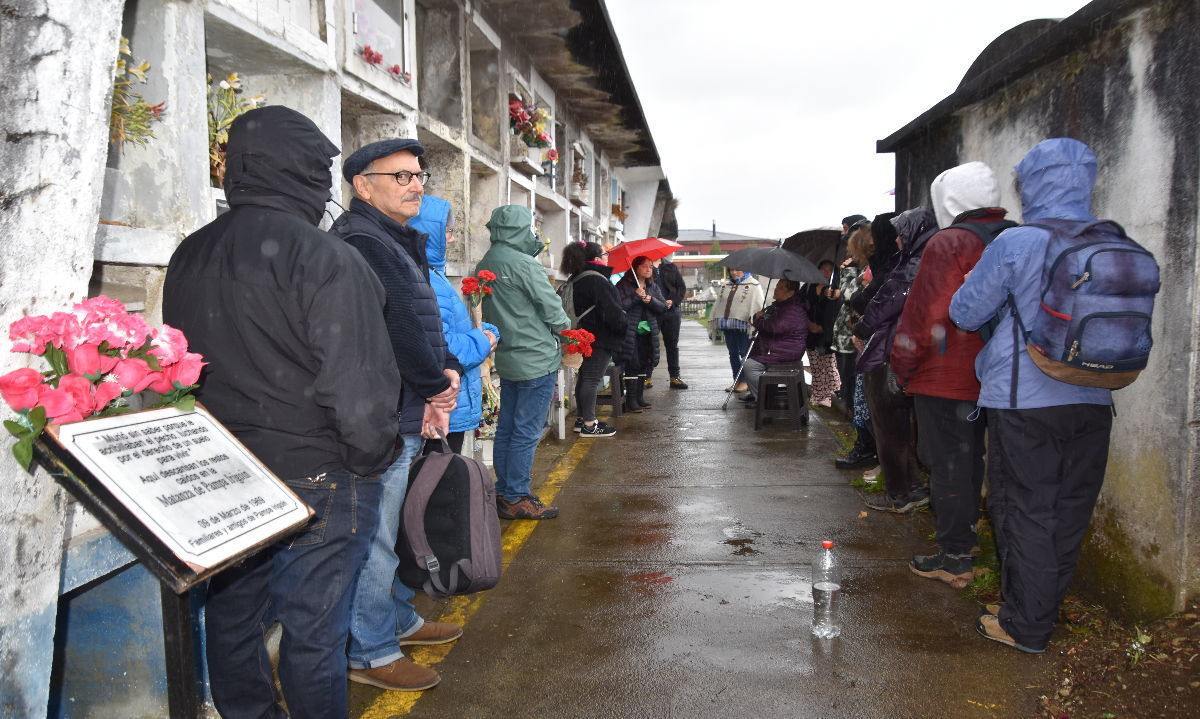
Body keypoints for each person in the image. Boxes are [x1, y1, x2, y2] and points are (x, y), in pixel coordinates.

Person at [163, 106, 401, 719]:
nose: (326, 185)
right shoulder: (326, 257)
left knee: (233, 615)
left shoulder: (190, 253)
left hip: (226, 470)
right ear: (298, 171)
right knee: (315, 633)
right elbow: (359, 385)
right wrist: (370, 461)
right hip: (319, 469)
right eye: (322, 169)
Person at [950, 138, 1116, 654]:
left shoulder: (1019, 243)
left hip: (1024, 400)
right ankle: (1035, 609)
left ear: (1033, 185)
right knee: (1068, 512)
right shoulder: (1112, 240)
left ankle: (1026, 626)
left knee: (1024, 512)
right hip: (1095, 396)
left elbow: (964, 313)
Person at [333, 138, 466, 692]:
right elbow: (400, 332)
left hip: (407, 405)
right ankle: (369, 651)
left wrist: (449, 368)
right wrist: (437, 386)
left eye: (418, 176)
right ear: (363, 186)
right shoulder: (364, 241)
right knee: (378, 535)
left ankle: (397, 620)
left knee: (395, 527)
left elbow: (423, 317)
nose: (415, 186)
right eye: (401, 177)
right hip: (383, 414)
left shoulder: (394, 239)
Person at [891, 162, 1010, 588]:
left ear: (948, 199)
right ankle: (970, 539)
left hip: (947, 373)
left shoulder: (949, 243)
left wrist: (902, 365)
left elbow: (925, 314)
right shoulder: (1010, 236)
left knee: (946, 463)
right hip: (999, 374)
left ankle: (955, 555)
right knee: (974, 459)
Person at [476, 205, 569, 519]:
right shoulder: (522, 264)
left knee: (508, 427)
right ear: (520, 229)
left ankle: (504, 491)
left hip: (508, 356)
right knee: (527, 430)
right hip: (536, 356)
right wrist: (570, 335)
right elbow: (551, 306)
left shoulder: (487, 263)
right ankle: (516, 495)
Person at [855, 208, 938, 513]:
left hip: (890, 352)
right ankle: (911, 487)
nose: (899, 240)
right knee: (902, 429)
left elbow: (884, 303)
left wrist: (861, 327)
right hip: (913, 351)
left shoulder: (913, 263)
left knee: (889, 428)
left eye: (903, 233)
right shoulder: (929, 257)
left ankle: (899, 493)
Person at [408, 195, 501, 454]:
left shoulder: (433, 274)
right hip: (441, 406)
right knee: (435, 480)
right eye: (446, 231)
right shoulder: (429, 282)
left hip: (444, 402)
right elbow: (442, 346)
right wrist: (484, 339)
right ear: (428, 232)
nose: (451, 238)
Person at [562, 242, 627, 437]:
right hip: (599, 337)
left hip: (584, 335)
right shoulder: (597, 280)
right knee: (591, 378)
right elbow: (612, 312)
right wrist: (623, 325)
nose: (608, 257)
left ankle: (583, 419)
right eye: (605, 254)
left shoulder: (578, 277)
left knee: (585, 377)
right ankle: (590, 425)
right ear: (598, 259)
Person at [832, 222, 879, 470]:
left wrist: (850, 276)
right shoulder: (872, 270)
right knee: (857, 395)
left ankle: (867, 451)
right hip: (859, 337)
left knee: (864, 399)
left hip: (869, 340)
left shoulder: (873, 271)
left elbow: (855, 299)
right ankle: (864, 446)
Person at [736, 278, 809, 406]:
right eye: (777, 286)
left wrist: (758, 322)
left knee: (749, 365)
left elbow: (775, 327)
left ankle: (763, 399)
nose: (776, 289)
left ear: (791, 292)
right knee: (747, 358)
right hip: (778, 347)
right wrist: (758, 317)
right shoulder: (780, 305)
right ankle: (759, 395)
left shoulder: (792, 309)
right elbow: (763, 319)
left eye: (781, 288)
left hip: (787, 350)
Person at [615, 255, 667, 412]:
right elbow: (620, 306)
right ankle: (631, 401)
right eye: (645, 266)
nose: (649, 269)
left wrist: (651, 300)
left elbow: (662, 307)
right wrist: (636, 296)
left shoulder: (652, 286)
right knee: (633, 364)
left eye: (650, 266)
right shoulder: (623, 285)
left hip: (648, 331)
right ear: (635, 268)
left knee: (645, 363)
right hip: (631, 331)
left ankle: (639, 398)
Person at [712, 269, 765, 392]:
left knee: (744, 354)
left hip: (744, 327)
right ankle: (736, 380)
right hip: (728, 325)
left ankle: (745, 381)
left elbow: (757, 305)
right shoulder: (726, 285)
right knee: (733, 354)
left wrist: (754, 320)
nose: (734, 273)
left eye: (738, 270)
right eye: (732, 270)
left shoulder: (753, 285)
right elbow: (720, 304)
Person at [803, 260, 843, 407]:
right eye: (823, 269)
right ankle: (819, 396)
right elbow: (801, 306)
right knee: (816, 367)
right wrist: (808, 324)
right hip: (810, 334)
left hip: (826, 335)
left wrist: (823, 328)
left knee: (829, 366)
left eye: (830, 270)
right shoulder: (808, 287)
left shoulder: (835, 290)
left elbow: (835, 314)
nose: (826, 273)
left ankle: (835, 393)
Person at [656, 256, 689, 389]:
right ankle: (646, 376)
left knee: (672, 345)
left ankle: (675, 377)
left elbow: (681, 288)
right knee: (648, 344)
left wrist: (673, 301)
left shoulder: (670, 266)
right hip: (652, 311)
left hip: (671, 312)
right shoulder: (643, 267)